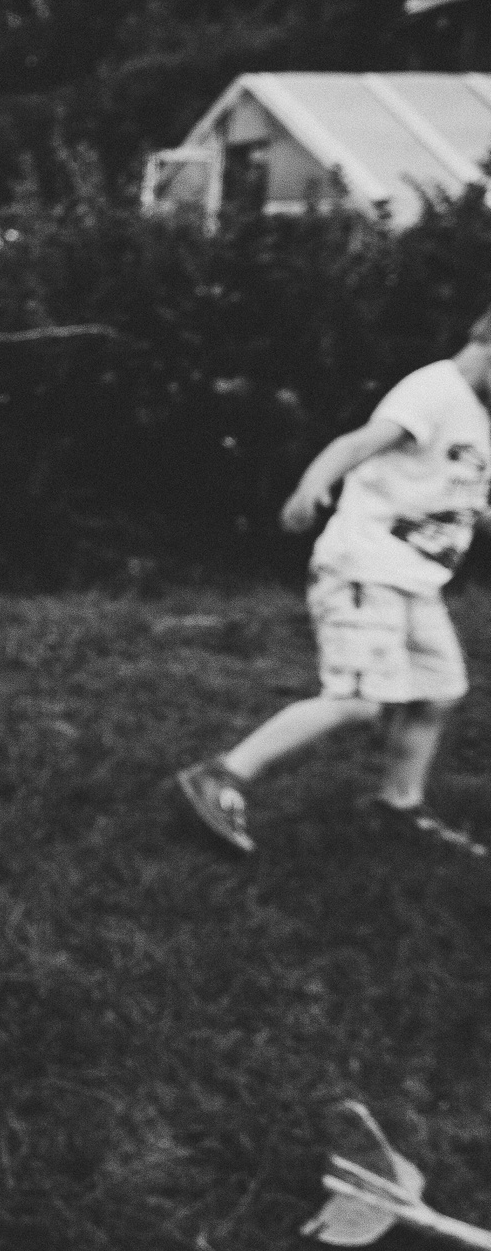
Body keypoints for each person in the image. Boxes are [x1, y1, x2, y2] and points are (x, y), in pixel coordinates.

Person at [176, 310, 491, 856]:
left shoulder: (480, 416)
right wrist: (311, 487)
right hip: (365, 565)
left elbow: (463, 500)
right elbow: (358, 443)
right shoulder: (434, 390)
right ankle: (220, 776)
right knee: (359, 699)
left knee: (437, 690)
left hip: (415, 579)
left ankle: (398, 806)